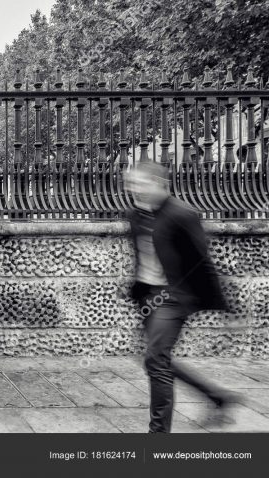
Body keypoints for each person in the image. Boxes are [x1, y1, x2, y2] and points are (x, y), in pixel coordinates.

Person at [125, 161, 238, 433]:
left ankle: (158, 435)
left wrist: (225, 306)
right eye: (131, 184)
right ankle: (218, 398)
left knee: (155, 358)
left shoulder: (183, 214)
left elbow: (202, 261)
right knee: (157, 359)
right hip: (148, 297)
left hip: (174, 297)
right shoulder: (135, 215)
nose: (134, 190)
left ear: (158, 183)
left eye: (140, 184)